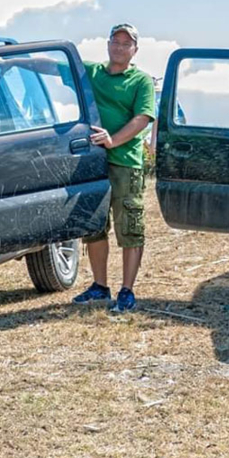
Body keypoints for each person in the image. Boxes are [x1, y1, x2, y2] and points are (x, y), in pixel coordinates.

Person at [72, 23, 155, 312]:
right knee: (95, 226)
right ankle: (100, 287)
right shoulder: (92, 73)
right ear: (108, 45)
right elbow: (55, 65)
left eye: (126, 43)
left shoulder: (140, 81)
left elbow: (142, 118)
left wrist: (113, 140)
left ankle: (127, 291)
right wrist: (12, 59)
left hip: (126, 164)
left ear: (134, 50)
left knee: (130, 227)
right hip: (94, 162)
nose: (120, 47)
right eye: (115, 42)